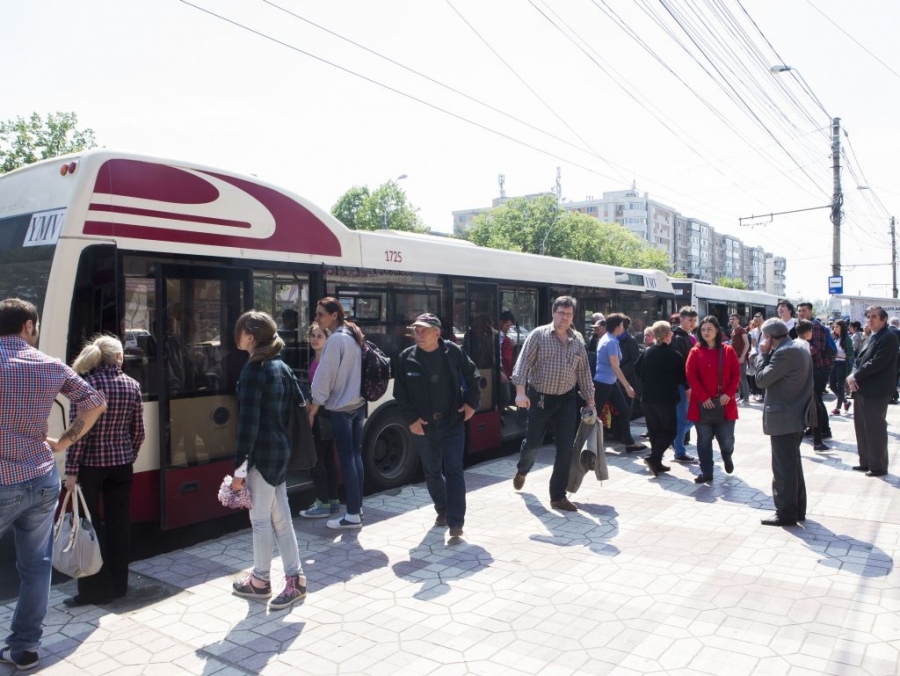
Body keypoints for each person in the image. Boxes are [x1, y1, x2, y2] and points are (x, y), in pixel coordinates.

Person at [0, 298, 107, 670]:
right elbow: (94, 402)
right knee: (36, 567)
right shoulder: (49, 364)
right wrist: (63, 442)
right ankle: (25, 648)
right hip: (42, 478)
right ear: (28, 326)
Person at [230, 311, 306, 610]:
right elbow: (300, 404)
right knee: (281, 520)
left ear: (250, 335)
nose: (237, 336)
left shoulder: (253, 371)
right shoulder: (280, 366)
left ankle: (260, 581)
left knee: (260, 521)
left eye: (239, 331)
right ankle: (295, 579)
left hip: (262, 455)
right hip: (281, 450)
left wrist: (238, 471)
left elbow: (246, 426)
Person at [63, 335, 145, 608]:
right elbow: (138, 432)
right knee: (120, 524)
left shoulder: (87, 387)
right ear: (119, 358)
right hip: (121, 466)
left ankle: (94, 590)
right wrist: (127, 455)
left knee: (89, 527)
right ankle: (120, 586)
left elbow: (79, 435)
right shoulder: (132, 386)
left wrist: (71, 470)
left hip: (91, 467)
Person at [393, 313, 480, 537]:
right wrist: (411, 420)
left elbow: (473, 375)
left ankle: (456, 522)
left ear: (437, 333)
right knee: (432, 472)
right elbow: (400, 394)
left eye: (424, 330)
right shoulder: (405, 358)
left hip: (452, 423)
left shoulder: (453, 352)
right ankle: (442, 509)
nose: (419, 334)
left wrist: (471, 404)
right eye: (416, 330)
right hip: (423, 426)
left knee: (454, 471)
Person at [511, 296, 596, 512]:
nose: (564, 317)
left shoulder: (577, 342)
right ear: (553, 313)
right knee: (533, 444)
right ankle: (523, 469)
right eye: (561, 313)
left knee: (566, 449)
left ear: (572, 316)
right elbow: (521, 366)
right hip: (540, 398)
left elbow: (584, 375)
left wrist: (591, 404)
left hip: (566, 399)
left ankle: (557, 497)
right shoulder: (538, 335)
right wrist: (520, 393)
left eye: (568, 314)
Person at [309, 297, 367, 530]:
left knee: (347, 458)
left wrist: (314, 406)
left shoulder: (335, 340)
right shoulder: (353, 334)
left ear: (334, 315)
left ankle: (352, 514)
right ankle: (358, 507)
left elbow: (324, 379)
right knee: (356, 456)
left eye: (321, 314)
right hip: (358, 405)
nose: (317, 318)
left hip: (341, 409)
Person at [754, 318, 813, 527]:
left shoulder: (784, 352)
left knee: (783, 469)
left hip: (784, 417)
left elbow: (761, 379)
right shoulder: (798, 346)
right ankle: (797, 509)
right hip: (796, 414)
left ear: (768, 337)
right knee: (792, 465)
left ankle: (786, 513)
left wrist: (762, 354)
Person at [846, 306, 900, 477]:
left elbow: (877, 363)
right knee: (861, 427)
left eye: (874, 316)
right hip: (862, 388)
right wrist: (852, 375)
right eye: (868, 316)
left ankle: (878, 466)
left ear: (884, 319)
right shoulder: (871, 336)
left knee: (874, 429)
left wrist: (855, 377)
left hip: (877, 390)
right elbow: (859, 359)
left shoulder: (889, 337)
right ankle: (866, 462)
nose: (870, 319)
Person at [686, 315, 740, 483]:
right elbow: (691, 375)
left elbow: (736, 374)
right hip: (702, 404)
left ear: (717, 330)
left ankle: (727, 455)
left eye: (709, 329)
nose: (706, 332)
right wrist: (703, 397)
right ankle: (707, 472)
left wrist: (729, 393)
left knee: (726, 439)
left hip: (724, 403)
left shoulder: (727, 350)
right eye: (703, 330)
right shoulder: (695, 351)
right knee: (703, 440)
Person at [298, 324, 341, 518]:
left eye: (319, 336)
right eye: (312, 336)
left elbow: (325, 391)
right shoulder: (315, 359)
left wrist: (311, 413)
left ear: (327, 339)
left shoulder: (325, 362)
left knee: (317, 460)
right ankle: (332, 500)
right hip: (324, 414)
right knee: (327, 459)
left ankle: (322, 503)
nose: (315, 339)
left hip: (321, 414)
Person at [636, 321, 686, 477]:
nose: (672, 335)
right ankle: (653, 458)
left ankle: (656, 463)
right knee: (670, 431)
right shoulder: (674, 355)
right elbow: (681, 378)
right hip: (665, 399)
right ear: (665, 336)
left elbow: (637, 370)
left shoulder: (647, 352)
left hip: (647, 398)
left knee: (655, 431)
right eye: (670, 333)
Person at [593, 313, 645, 452]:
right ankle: (582, 443)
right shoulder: (611, 342)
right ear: (617, 327)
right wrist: (628, 386)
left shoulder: (607, 338)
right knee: (594, 413)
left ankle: (629, 442)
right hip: (604, 382)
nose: (623, 327)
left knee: (623, 409)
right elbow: (615, 367)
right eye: (622, 325)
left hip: (608, 381)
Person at [796, 302, 835, 451]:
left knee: (816, 400)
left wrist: (801, 355)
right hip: (811, 368)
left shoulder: (815, 326)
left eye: (804, 310)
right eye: (799, 311)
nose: (801, 313)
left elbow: (817, 347)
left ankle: (823, 430)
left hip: (819, 368)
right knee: (815, 401)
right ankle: (816, 431)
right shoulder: (802, 326)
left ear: (811, 311)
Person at [671, 307, 698, 463]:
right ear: (681, 319)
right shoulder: (678, 338)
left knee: (691, 417)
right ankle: (679, 451)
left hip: (687, 383)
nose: (692, 323)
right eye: (690, 320)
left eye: (694, 320)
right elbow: (680, 366)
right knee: (684, 418)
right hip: (682, 384)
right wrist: (687, 386)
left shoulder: (687, 336)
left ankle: (675, 441)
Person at [829, 320, 854, 415]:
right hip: (834, 364)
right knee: (832, 385)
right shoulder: (835, 338)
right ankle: (846, 402)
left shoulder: (847, 339)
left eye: (837, 327)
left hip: (842, 364)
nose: (835, 329)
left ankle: (838, 408)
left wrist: (839, 356)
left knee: (840, 386)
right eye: (834, 327)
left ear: (842, 328)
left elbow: (850, 354)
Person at [729, 314, 750, 404]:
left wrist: (742, 356)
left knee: (743, 377)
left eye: (733, 319)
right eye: (730, 319)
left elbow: (747, 343)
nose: (731, 320)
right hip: (734, 357)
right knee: (738, 377)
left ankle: (746, 397)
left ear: (738, 320)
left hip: (741, 357)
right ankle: (742, 396)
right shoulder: (733, 331)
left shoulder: (741, 330)